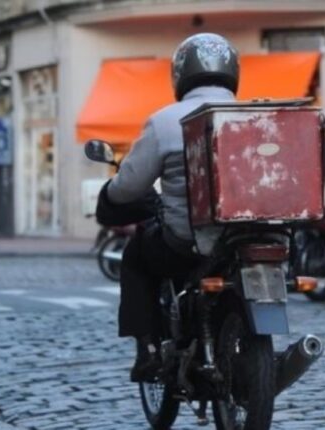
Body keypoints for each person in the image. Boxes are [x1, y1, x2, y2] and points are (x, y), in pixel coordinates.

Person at [96, 33, 239, 382]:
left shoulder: (164, 121)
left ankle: (147, 350)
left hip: (188, 242)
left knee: (136, 256)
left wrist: (111, 191)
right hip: (251, 238)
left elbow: (129, 187)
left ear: (181, 74)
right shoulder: (254, 114)